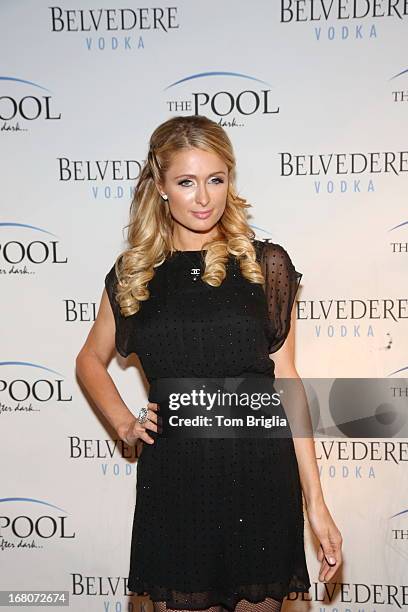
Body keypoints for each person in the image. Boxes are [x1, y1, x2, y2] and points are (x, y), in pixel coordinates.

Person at [76, 115, 343, 612]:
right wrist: (124, 424)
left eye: (216, 179)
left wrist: (317, 507)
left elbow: (286, 380)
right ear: (160, 185)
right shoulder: (135, 276)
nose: (204, 198)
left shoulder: (265, 265)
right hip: (176, 486)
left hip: (262, 481)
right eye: (186, 182)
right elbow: (90, 359)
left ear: (229, 180)